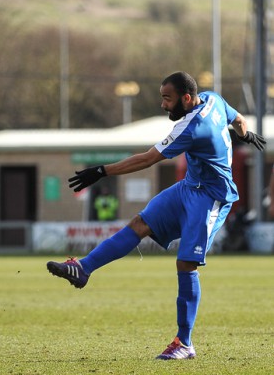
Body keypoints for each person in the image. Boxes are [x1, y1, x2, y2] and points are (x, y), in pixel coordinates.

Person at [47, 71, 265, 360]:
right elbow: (238, 119)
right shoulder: (214, 99)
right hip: (189, 187)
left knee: (186, 263)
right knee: (140, 223)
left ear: (186, 99)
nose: (163, 105)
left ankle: (184, 343)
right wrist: (245, 135)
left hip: (211, 197)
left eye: (167, 99)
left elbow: (147, 159)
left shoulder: (191, 126)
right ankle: (83, 268)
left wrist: (101, 171)